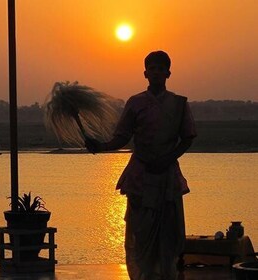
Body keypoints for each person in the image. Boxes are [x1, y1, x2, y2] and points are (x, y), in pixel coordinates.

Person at [85, 50, 197, 280]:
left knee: (168, 232)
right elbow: (122, 137)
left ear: (168, 73)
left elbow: (188, 137)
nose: (156, 72)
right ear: (145, 73)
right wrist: (101, 146)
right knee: (141, 231)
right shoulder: (135, 103)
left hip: (167, 177)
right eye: (152, 68)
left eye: (160, 68)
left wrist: (169, 157)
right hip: (141, 176)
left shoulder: (179, 104)